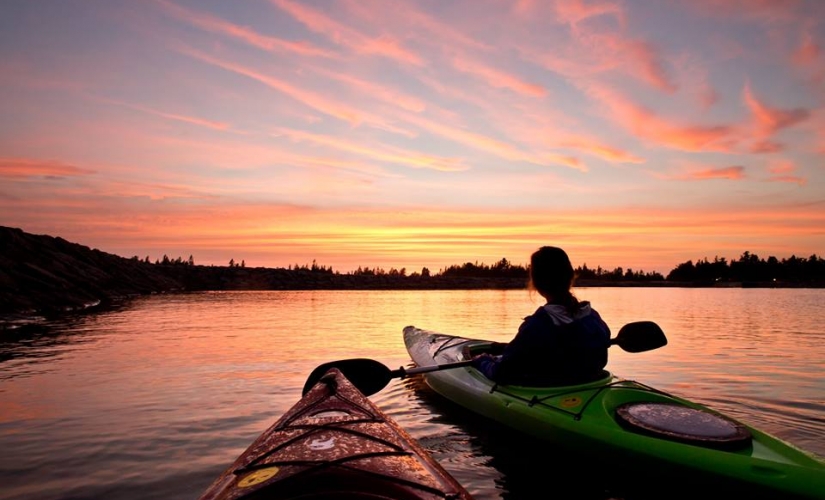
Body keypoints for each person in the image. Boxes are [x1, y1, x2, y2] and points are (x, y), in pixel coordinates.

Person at [471, 246, 611, 386]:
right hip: (590, 384)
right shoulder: (593, 318)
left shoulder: (536, 326)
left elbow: (502, 373)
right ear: (570, 277)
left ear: (536, 282)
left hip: (551, 391)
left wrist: (483, 361)